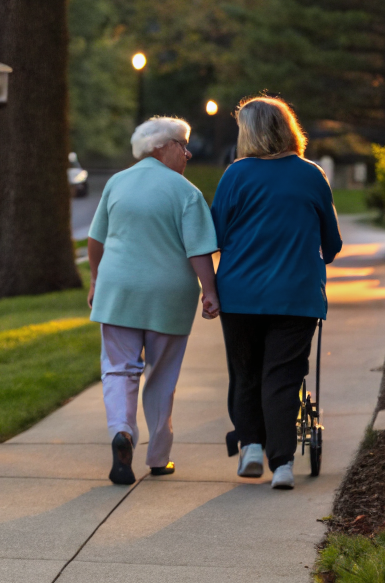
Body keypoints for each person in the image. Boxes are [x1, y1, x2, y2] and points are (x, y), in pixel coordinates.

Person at [210, 96, 342, 489]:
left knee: (245, 372)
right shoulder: (311, 174)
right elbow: (331, 245)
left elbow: (214, 235)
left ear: (247, 133)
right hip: (296, 296)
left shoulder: (235, 175)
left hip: (240, 295)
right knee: (283, 376)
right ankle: (282, 463)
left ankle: (251, 446)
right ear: (287, 128)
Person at [87, 116, 220, 485]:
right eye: (183, 144)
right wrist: (210, 292)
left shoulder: (116, 183)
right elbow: (199, 250)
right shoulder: (186, 192)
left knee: (118, 368)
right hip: (168, 295)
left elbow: (96, 240)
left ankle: (122, 432)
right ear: (161, 146)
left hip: (117, 291)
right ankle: (159, 458)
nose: (188, 153)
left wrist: (95, 279)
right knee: (162, 375)